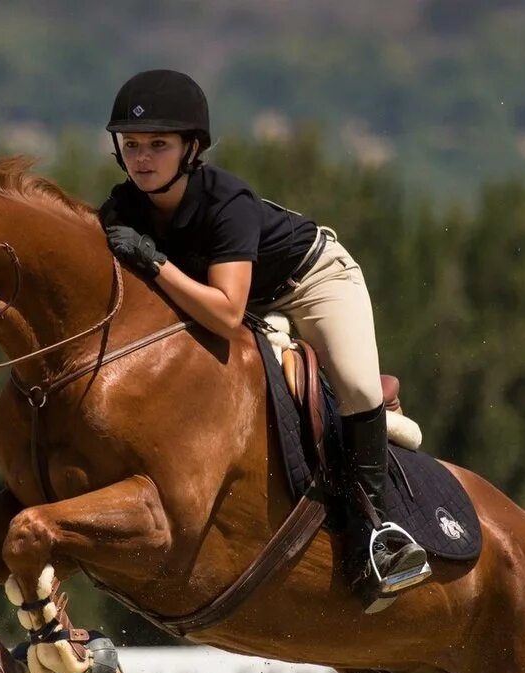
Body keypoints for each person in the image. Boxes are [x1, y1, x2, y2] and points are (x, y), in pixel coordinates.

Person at [100, 69, 431, 613]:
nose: (142, 157)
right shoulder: (122, 209)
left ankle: (377, 533)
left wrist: (154, 263)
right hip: (243, 301)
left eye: (159, 144)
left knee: (353, 388)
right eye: (132, 144)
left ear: (192, 148)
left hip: (311, 281)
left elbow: (227, 314)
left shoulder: (226, 201)